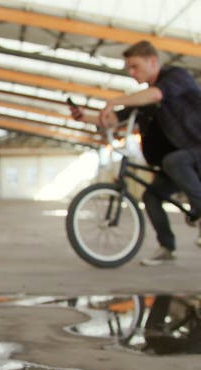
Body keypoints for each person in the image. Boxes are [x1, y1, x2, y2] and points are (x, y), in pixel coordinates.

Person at [69, 40, 201, 266]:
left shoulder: (176, 77)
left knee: (173, 161)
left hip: (195, 150)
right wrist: (85, 117)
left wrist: (114, 100)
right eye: (128, 68)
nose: (131, 72)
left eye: (134, 66)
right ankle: (167, 247)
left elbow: (157, 95)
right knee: (151, 196)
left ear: (153, 61)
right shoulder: (143, 99)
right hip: (176, 164)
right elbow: (115, 118)